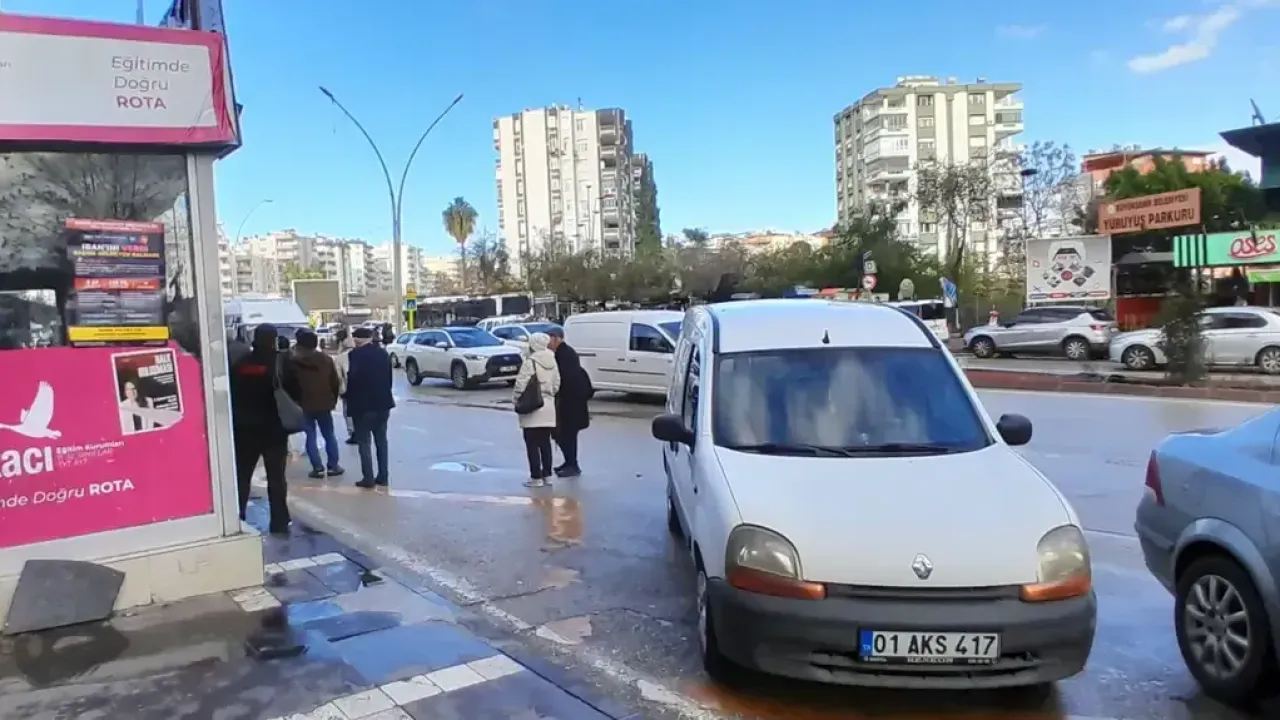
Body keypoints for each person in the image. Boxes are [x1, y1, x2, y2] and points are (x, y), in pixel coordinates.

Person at [228, 323, 302, 535]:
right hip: (274, 430)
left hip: (245, 429)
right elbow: (296, 392)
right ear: (274, 339)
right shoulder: (282, 363)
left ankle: (238, 516)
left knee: (242, 476)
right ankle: (279, 520)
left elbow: (232, 393)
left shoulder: (241, 363)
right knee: (276, 478)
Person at [291, 329, 345, 479]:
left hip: (304, 404)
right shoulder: (326, 359)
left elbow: (290, 384)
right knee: (329, 435)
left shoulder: (294, 362)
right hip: (324, 403)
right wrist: (333, 400)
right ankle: (333, 466)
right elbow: (335, 381)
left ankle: (317, 467)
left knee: (310, 436)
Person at [345, 326, 395, 488]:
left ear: (358, 339)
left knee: (364, 442)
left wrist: (348, 399)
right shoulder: (382, 353)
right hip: (383, 403)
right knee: (381, 441)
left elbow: (354, 379)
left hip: (363, 406)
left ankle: (368, 478)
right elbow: (389, 378)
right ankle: (383, 476)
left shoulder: (355, 355)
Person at [513, 332, 561, 488]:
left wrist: (517, 399)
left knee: (532, 444)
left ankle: (536, 477)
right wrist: (549, 395)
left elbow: (521, 384)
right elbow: (557, 383)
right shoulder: (553, 360)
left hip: (532, 407)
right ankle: (548, 475)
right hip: (548, 406)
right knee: (545, 443)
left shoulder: (530, 362)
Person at [545, 327, 591, 477]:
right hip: (567, 402)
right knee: (563, 435)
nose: (547, 341)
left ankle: (573, 465)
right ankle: (569, 462)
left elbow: (566, 379)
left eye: (549, 338)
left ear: (557, 338)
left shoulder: (566, 354)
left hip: (571, 403)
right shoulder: (560, 353)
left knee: (568, 435)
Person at [333, 328, 356, 443]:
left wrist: (340, 391)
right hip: (362, 388)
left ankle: (353, 433)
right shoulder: (358, 350)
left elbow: (338, 376)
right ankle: (360, 430)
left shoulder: (340, 357)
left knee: (348, 412)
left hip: (347, 390)